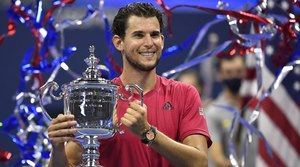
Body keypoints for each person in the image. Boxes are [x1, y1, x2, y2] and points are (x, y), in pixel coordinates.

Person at [47, 3, 212, 167]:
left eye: (154, 35)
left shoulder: (184, 94)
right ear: (119, 43)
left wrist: (147, 133)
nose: (149, 43)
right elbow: (69, 163)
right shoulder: (101, 99)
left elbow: (200, 162)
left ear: (162, 41)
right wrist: (57, 146)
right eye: (139, 35)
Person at [205, 55, 257, 167]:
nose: (234, 76)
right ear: (220, 75)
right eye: (228, 72)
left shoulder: (256, 107)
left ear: (245, 72)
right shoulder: (213, 112)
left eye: (239, 71)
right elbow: (217, 158)